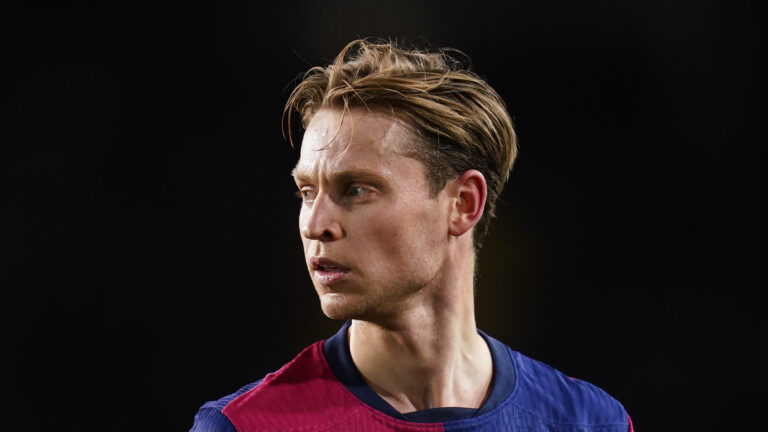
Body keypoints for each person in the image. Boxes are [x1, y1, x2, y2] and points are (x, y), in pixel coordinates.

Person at [190, 39, 633, 432]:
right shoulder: (243, 426)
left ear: (463, 204)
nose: (314, 224)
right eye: (307, 192)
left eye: (356, 190)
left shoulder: (590, 422)